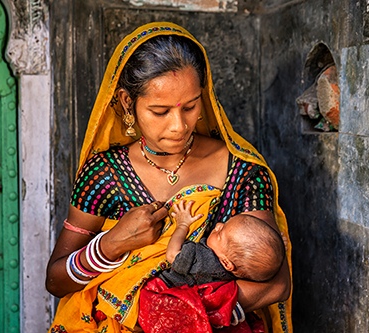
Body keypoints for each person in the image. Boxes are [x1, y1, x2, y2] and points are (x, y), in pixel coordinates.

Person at [46, 22, 293, 333]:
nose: (179, 125)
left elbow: (277, 284)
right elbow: (56, 281)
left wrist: (182, 314)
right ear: (127, 102)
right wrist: (111, 244)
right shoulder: (104, 175)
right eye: (160, 111)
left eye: (190, 107)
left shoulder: (241, 172)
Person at [163, 200, 285, 286]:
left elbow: (172, 255)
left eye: (220, 233)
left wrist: (183, 225)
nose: (218, 225)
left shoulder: (203, 258)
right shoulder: (238, 270)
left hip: (164, 287)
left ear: (226, 263)